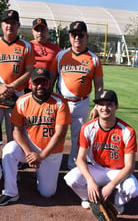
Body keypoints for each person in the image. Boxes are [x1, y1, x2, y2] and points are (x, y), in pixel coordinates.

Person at [0, 68, 71, 206]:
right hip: (28, 149)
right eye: (36, 83)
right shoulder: (22, 101)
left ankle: (41, 173)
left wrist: (41, 156)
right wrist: (29, 153)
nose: (40, 86)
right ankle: (10, 192)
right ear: (31, 84)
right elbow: (15, 130)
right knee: (9, 150)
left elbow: (60, 134)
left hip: (50, 152)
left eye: (44, 82)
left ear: (49, 83)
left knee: (47, 193)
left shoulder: (60, 102)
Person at [64, 89, 138, 215]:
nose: (105, 108)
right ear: (96, 106)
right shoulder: (87, 128)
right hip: (96, 169)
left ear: (116, 106)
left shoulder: (127, 131)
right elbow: (80, 159)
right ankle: (88, 198)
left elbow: (129, 167)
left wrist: (111, 186)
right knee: (71, 178)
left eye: (109, 104)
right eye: (101, 104)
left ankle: (117, 203)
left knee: (133, 189)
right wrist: (90, 181)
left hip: (117, 171)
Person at [50, 21, 103, 169]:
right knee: (56, 134)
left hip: (81, 102)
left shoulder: (94, 59)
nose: (77, 38)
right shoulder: (61, 55)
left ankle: (73, 165)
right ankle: (52, 164)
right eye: (74, 35)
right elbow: (51, 80)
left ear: (87, 36)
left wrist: (97, 106)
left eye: (80, 35)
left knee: (78, 136)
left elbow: (99, 85)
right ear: (70, 37)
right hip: (61, 102)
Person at [0, 9, 34, 142]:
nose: (9, 26)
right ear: (1, 25)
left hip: (16, 93)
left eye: (13, 23)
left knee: (15, 133)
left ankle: (12, 161)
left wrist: (12, 86)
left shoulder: (26, 46)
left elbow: (29, 70)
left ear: (18, 25)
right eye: (6, 22)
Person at [27, 18, 60, 91]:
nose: (40, 33)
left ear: (47, 31)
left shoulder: (55, 49)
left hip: (47, 88)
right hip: (29, 88)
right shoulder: (27, 46)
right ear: (32, 32)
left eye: (42, 30)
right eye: (37, 30)